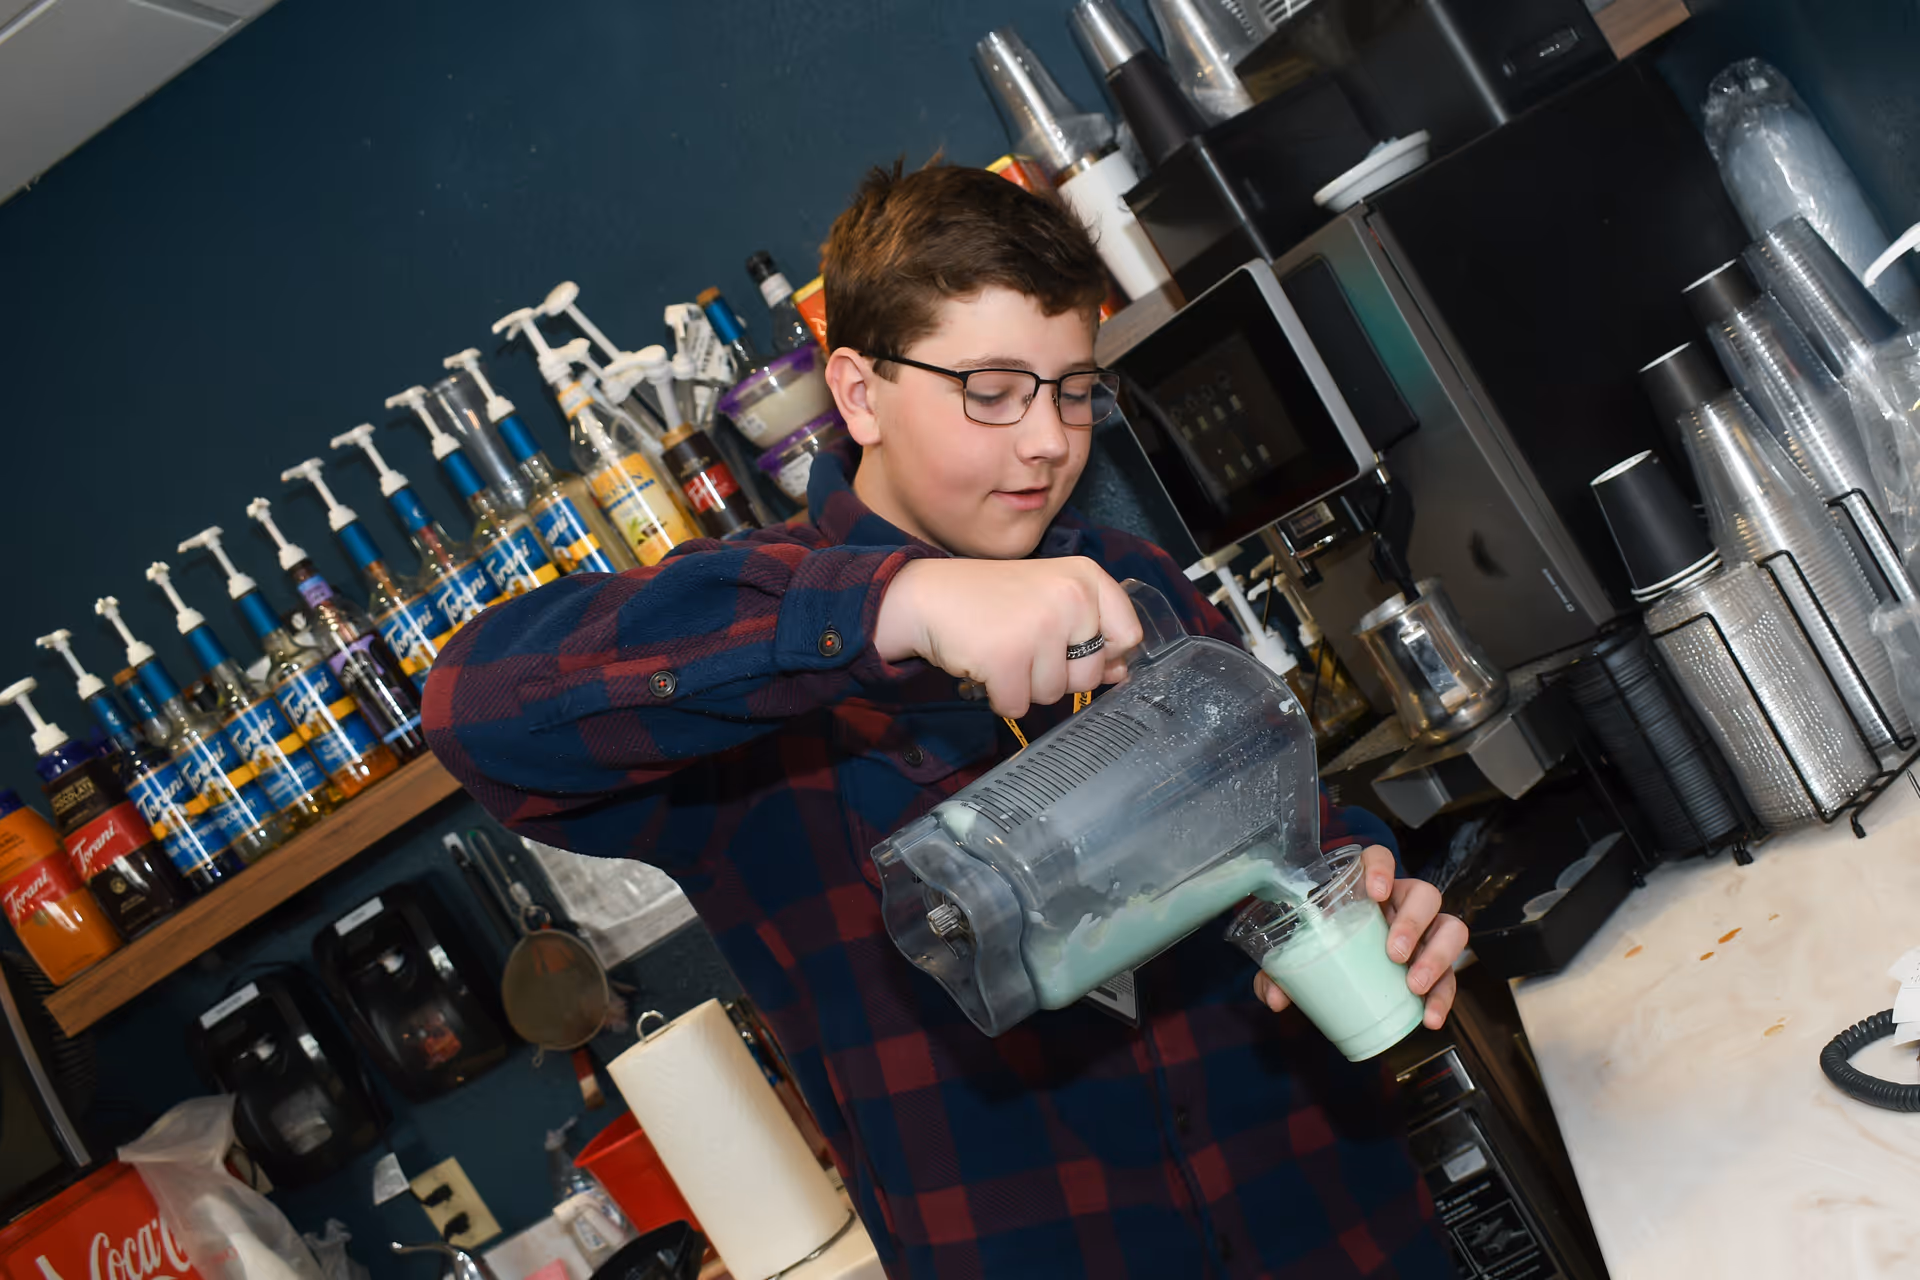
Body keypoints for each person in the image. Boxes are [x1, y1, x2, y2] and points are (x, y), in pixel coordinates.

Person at [424, 161, 1468, 1279]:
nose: (1049, 441)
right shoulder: (760, 643)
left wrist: (1372, 886)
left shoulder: (1133, 582)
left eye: (1074, 389)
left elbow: (1284, 823)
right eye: (994, 391)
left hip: (1342, 1229)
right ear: (859, 393)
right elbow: (476, 706)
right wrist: (894, 604)